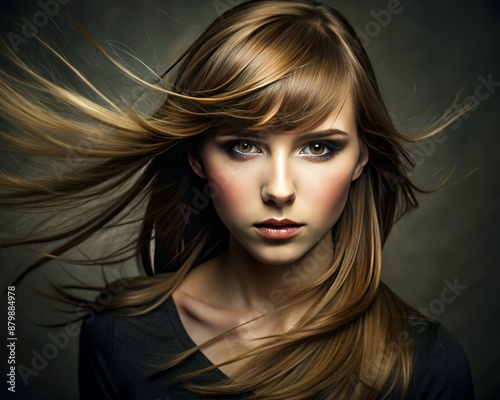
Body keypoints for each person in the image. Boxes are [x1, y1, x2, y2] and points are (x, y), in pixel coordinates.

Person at [0, 0, 475, 399]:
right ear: (197, 157)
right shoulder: (121, 336)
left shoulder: (424, 366)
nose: (280, 189)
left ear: (361, 158)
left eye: (319, 147)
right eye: (243, 146)